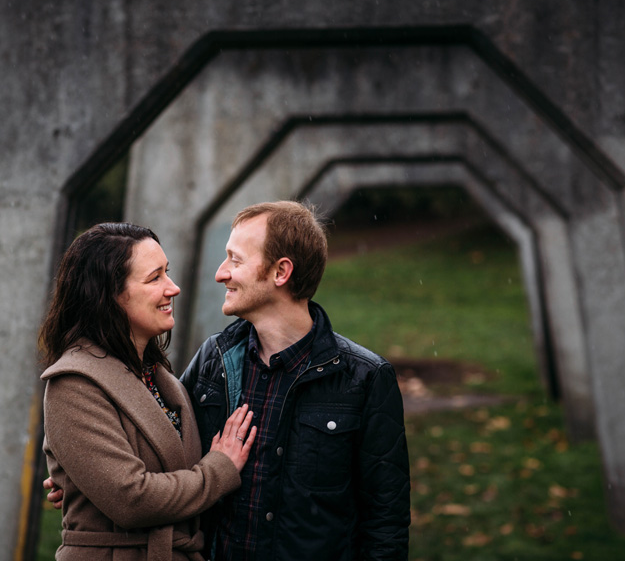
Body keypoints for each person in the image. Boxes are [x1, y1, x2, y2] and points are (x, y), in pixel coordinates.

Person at [47, 202, 410, 560]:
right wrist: (83, 478)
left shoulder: (364, 378)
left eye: (235, 260)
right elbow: (159, 454)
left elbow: (385, 527)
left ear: (281, 272)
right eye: (155, 277)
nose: (220, 273)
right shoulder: (213, 361)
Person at [38, 222, 257, 561]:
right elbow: (132, 500)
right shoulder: (74, 383)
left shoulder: (159, 377)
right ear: (108, 295)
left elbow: (157, 471)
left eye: (166, 273)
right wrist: (220, 470)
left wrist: (83, 481)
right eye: (155, 278)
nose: (173, 288)